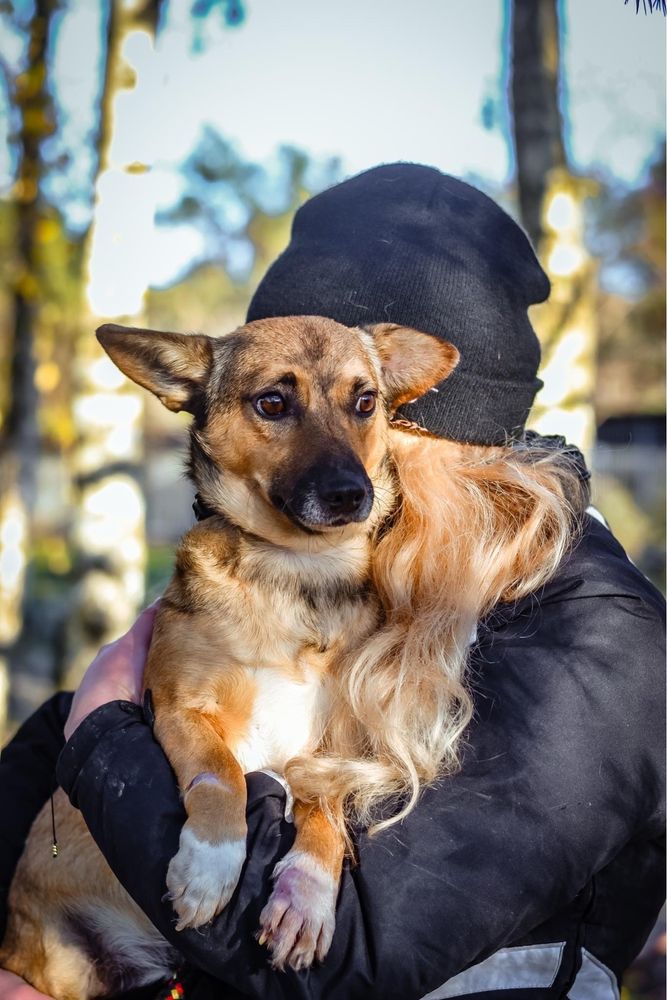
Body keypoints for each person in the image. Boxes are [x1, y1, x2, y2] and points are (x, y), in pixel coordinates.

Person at [0, 164, 664, 1000]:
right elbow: (110, 725)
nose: (347, 483)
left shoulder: (602, 649)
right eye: (277, 410)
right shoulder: (361, 576)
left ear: (449, 439)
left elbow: (355, 955)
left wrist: (103, 737)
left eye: (369, 421)